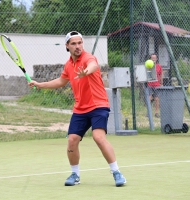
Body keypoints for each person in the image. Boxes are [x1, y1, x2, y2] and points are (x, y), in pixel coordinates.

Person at [29, 31, 126, 187]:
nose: (77, 46)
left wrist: (86, 71)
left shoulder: (88, 58)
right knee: (72, 140)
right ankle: (75, 174)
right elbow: (61, 81)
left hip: (98, 105)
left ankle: (116, 172)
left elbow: (93, 65)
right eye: (73, 44)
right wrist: (40, 85)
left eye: (80, 43)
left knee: (98, 137)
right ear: (67, 46)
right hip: (80, 109)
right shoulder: (69, 65)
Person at [147, 53, 163, 118]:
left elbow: (161, 75)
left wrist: (161, 83)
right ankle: (148, 112)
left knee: (156, 99)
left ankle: (156, 112)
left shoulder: (159, 66)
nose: (153, 59)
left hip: (157, 85)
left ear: (156, 59)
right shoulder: (148, 66)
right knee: (149, 98)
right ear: (150, 59)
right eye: (152, 58)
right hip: (150, 84)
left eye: (154, 58)